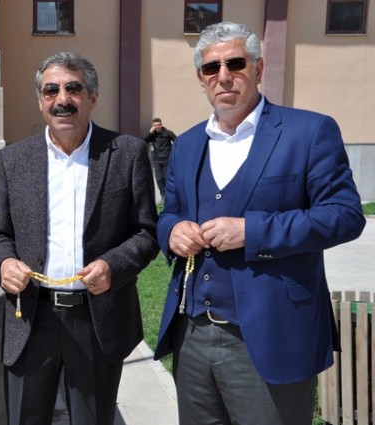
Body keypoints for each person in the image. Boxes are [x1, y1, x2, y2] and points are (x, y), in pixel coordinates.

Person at [154, 21, 366, 425]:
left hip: (272, 336)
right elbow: (169, 214)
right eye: (211, 67)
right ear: (201, 79)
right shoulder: (188, 144)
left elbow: (345, 215)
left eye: (235, 63)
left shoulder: (308, 131)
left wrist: (252, 231)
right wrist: (172, 233)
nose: (223, 76)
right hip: (192, 335)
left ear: (258, 68)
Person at [0, 51, 159, 425]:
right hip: (30, 316)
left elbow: (147, 232)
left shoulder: (127, 153)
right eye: (51, 90)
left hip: (97, 318)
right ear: (40, 100)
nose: (61, 99)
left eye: (73, 88)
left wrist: (113, 266)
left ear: (92, 97)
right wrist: (4, 263)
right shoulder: (12, 159)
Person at [144, 117, 176, 201]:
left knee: (166, 178)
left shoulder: (168, 133)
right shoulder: (152, 135)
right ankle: (163, 195)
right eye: (155, 125)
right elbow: (144, 141)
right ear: (153, 126)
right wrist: (150, 133)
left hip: (167, 159)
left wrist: (172, 152)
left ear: (161, 125)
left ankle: (169, 195)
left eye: (159, 125)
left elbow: (177, 141)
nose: (157, 126)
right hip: (157, 160)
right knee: (159, 179)